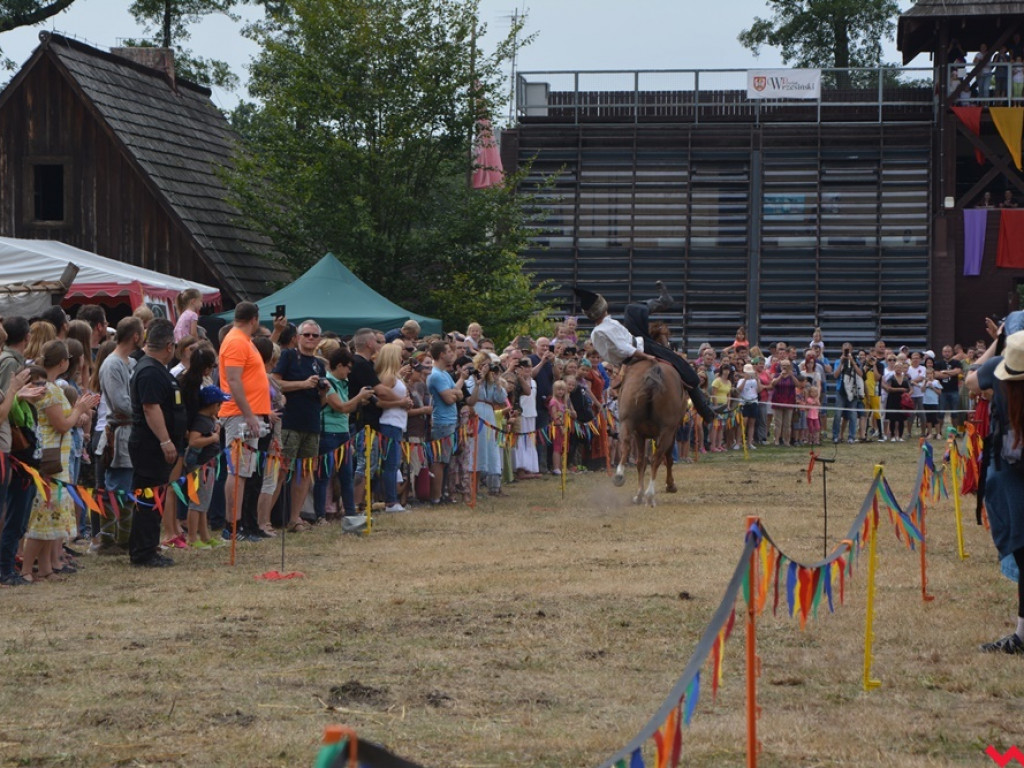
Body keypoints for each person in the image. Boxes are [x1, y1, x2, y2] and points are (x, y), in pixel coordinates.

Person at [574, 286, 717, 423]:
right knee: (683, 367)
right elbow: (623, 348)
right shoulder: (601, 330)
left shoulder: (606, 323)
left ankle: (663, 301)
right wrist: (645, 356)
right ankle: (705, 411)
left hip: (637, 340)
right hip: (640, 349)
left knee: (631, 309)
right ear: (601, 308)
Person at [967, 330, 1024, 654]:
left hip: (1010, 475)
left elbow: (971, 378)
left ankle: (1022, 634)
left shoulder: (1001, 369)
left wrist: (997, 342)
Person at [128, 319, 186, 567]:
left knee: (155, 497)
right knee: (149, 497)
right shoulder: (150, 371)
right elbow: (151, 408)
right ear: (170, 346)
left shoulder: (155, 367)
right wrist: (165, 441)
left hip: (156, 444)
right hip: (150, 445)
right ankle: (143, 552)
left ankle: (149, 547)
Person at [218, 302, 271, 537]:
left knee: (244, 470)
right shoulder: (236, 341)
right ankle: (232, 525)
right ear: (254, 319)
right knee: (237, 470)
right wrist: (249, 414)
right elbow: (234, 380)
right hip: (239, 413)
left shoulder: (243, 340)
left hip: (248, 413)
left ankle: (238, 522)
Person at [271, 319, 329, 531]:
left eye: (315, 335)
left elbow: (322, 402)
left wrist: (322, 392)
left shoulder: (319, 364)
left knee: (305, 472)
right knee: (281, 470)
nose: (311, 338)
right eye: (307, 335)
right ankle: (265, 520)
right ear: (297, 337)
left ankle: (294, 518)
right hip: (289, 422)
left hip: (312, 423)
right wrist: (302, 384)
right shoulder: (288, 356)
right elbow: (274, 382)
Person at [316, 347, 375, 523]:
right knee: (324, 476)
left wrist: (360, 400)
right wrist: (359, 397)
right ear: (339, 365)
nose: (349, 371)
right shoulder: (328, 383)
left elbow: (347, 408)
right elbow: (341, 407)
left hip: (342, 433)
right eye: (348, 367)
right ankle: (320, 515)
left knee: (346, 475)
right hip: (328, 434)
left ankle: (350, 514)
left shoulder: (344, 383)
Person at [181, 385, 229, 549]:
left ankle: (205, 535)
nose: (220, 408)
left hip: (207, 467)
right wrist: (213, 438)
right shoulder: (201, 421)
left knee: (204, 503)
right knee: (197, 503)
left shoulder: (207, 420)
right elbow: (194, 441)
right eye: (218, 405)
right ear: (211, 405)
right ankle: (193, 537)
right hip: (200, 467)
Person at [427, 339, 469, 504]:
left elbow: (458, 393)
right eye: (449, 352)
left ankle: (442, 493)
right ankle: (436, 496)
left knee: (446, 460)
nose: (452, 354)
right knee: (440, 460)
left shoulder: (445, 374)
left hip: (451, 421)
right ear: (442, 354)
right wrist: (454, 393)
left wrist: (459, 384)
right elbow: (450, 399)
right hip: (442, 422)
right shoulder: (436, 375)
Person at [374, 343, 414, 512]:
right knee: (390, 464)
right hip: (389, 423)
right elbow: (379, 401)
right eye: (398, 355)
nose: (401, 358)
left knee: (394, 463)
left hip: (397, 423)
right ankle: (391, 501)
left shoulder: (395, 377)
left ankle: (392, 499)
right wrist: (401, 402)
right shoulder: (388, 377)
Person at [468, 351, 507, 495]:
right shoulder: (472, 378)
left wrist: (497, 382)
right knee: (476, 449)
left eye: (488, 365)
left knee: (489, 448)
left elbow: (500, 398)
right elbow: (470, 393)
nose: (486, 368)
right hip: (477, 411)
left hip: (489, 414)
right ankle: (473, 487)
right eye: (483, 365)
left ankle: (487, 484)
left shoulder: (490, 382)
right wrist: (480, 376)